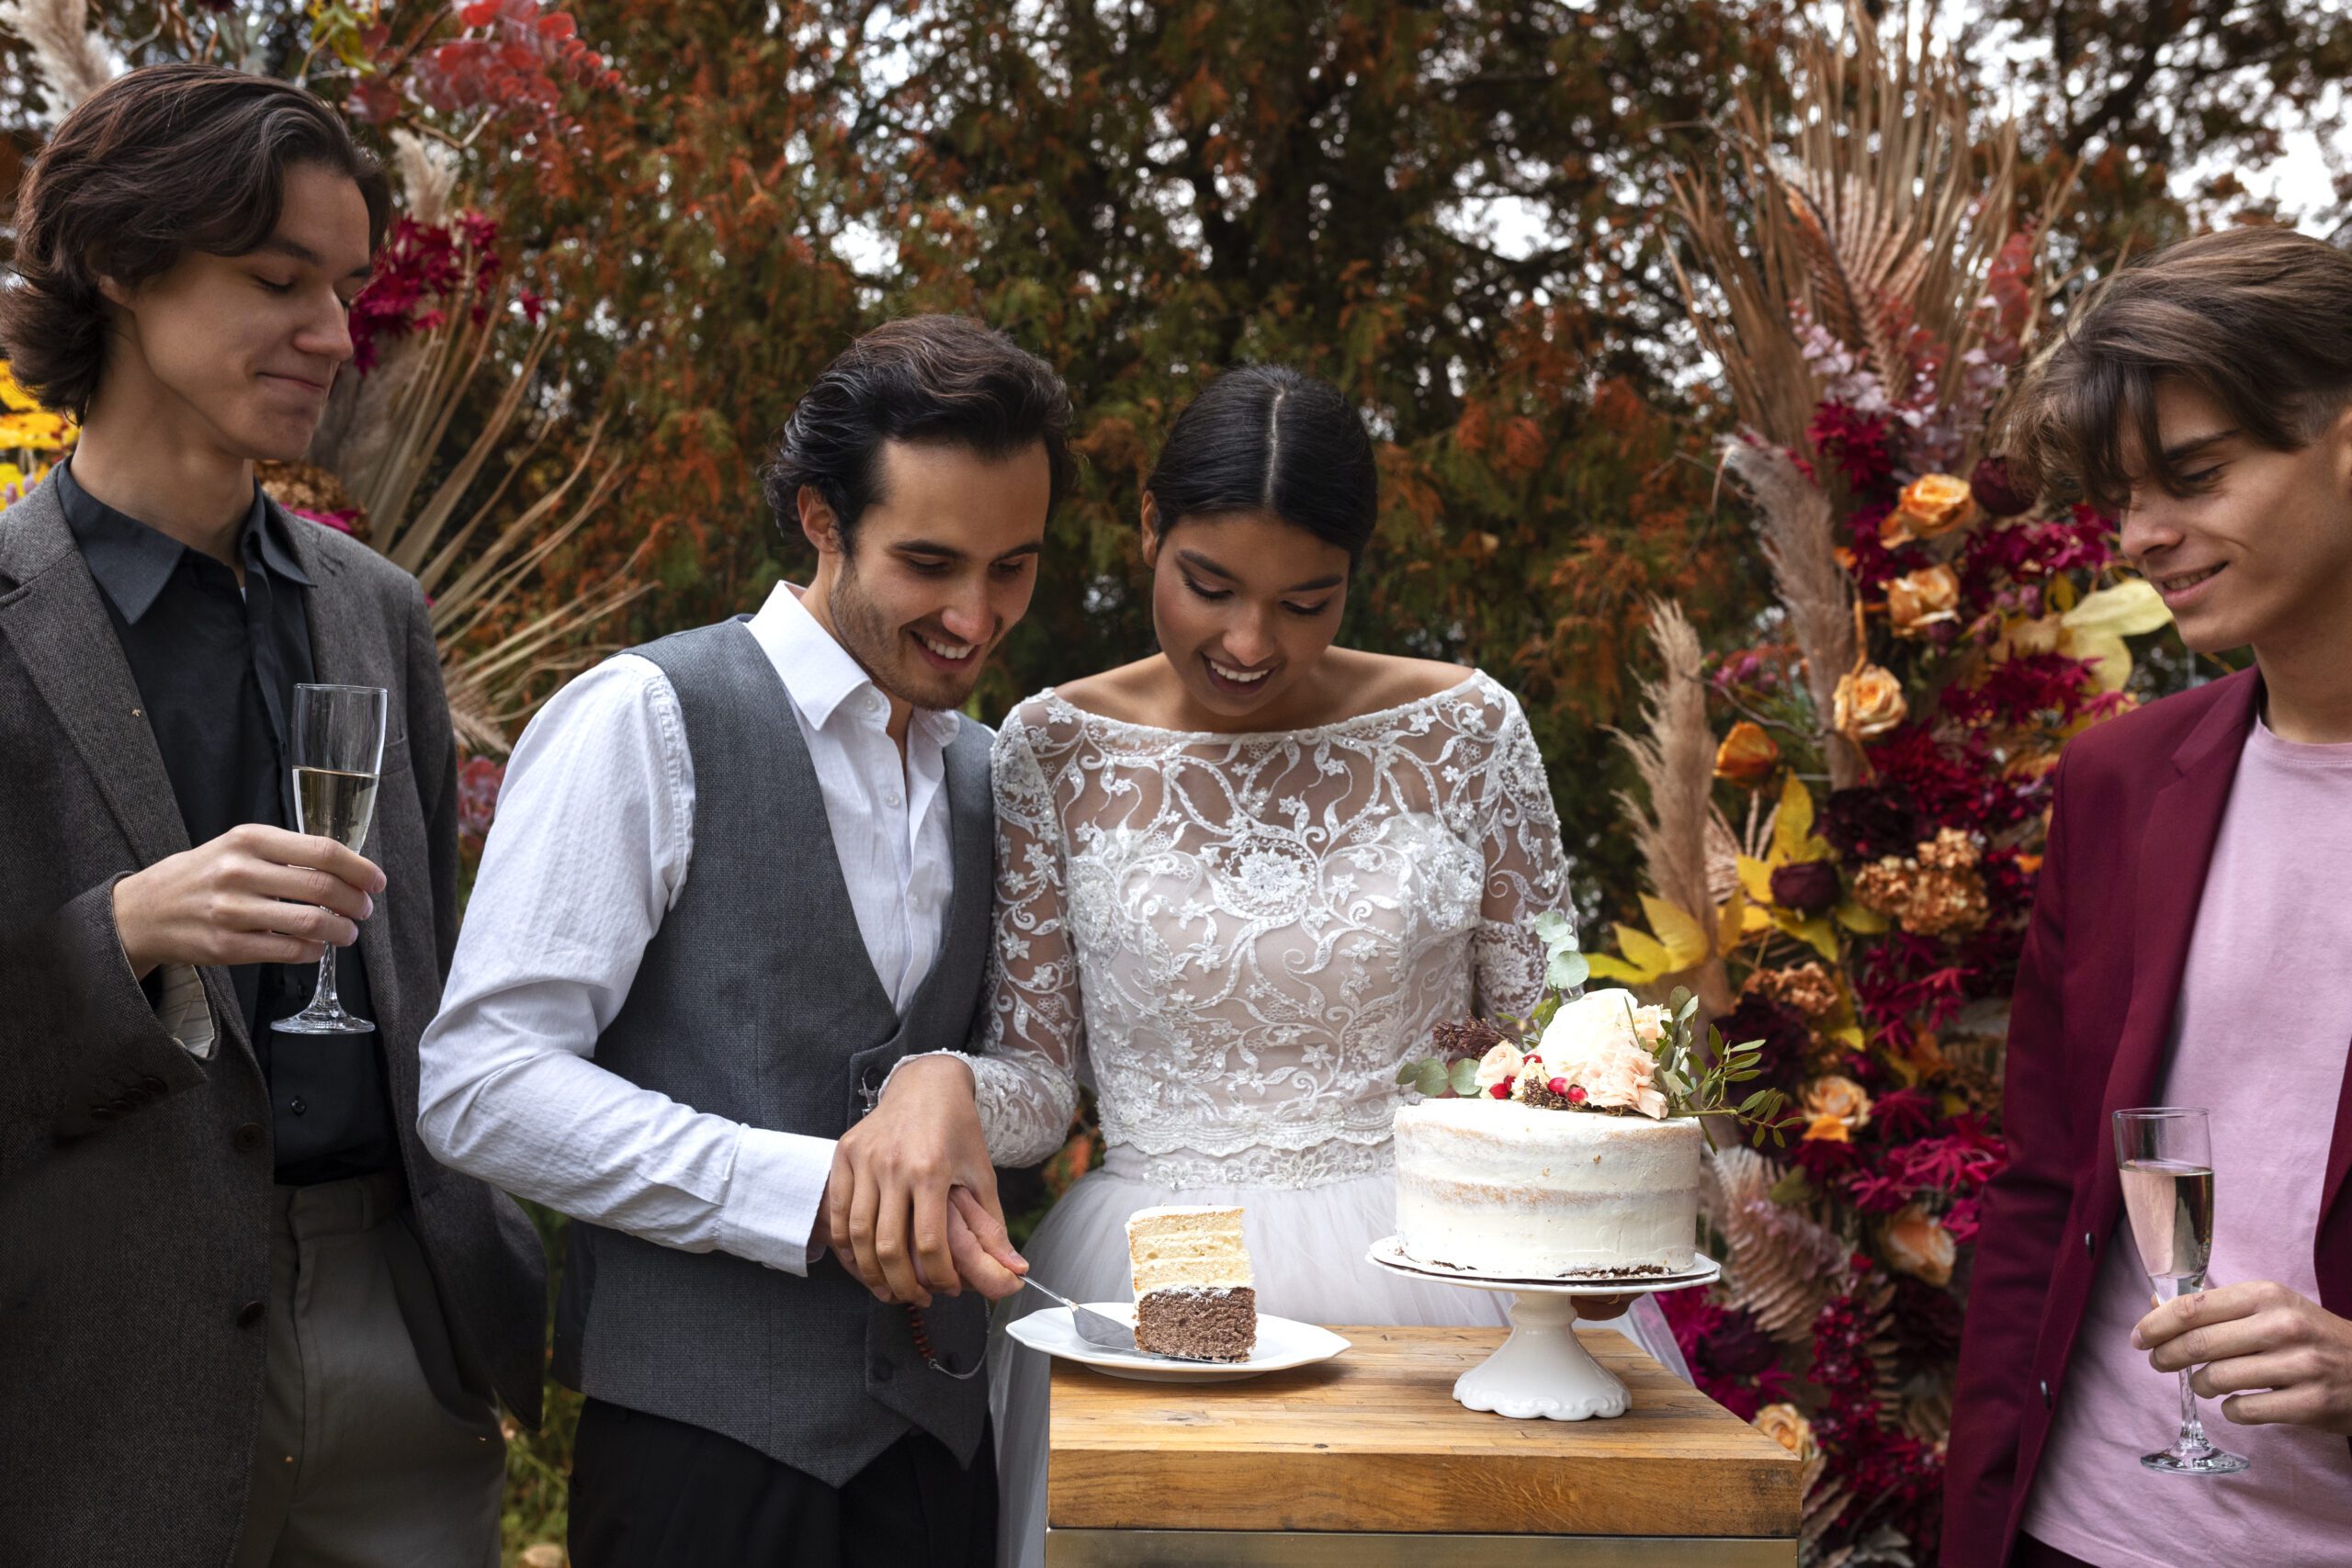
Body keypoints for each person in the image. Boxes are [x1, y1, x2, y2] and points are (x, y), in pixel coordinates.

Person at [838, 364, 1694, 1568]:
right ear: (1150, 529)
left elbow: (1554, 1022)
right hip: (1156, 1285)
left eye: (1308, 600)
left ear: (1356, 573)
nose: (1250, 642)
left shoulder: (1470, 733)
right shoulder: (1051, 750)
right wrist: (947, 1081)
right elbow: (1041, 1085)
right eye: (1210, 586)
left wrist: (1597, 1186)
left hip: (1441, 1276)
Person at [0, 63, 545, 1566]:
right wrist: (122, 933)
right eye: (276, 279)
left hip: (403, 1345)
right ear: (120, 265)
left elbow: (444, 976)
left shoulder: (382, 612)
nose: (332, 332)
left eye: (347, 285)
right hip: (99, 1379)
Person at [418, 313, 1068, 1568]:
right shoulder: (645, 719)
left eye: (1014, 568)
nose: (975, 617)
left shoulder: (1000, 778)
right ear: (823, 520)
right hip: (697, 1468)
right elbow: (482, 1084)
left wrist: (956, 1089)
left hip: (936, 1456)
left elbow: (1033, 1082)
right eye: (930, 563)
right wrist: (809, 1190)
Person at [1946, 226, 2352, 1568]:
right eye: (2128, 494)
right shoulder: (2120, 780)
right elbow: (2044, 1188)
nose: (2145, 540)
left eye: (2195, 475)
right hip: (2086, 1529)